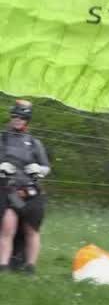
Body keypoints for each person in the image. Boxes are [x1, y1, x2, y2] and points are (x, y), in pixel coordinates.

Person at [0, 99, 51, 274]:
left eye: (21, 117)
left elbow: (46, 167)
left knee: (32, 231)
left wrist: (39, 170)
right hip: (9, 190)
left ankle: (30, 268)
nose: (17, 120)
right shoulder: (2, 138)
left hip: (31, 191)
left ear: (26, 120)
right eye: (14, 116)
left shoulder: (34, 143)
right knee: (7, 229)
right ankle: (4, 267)